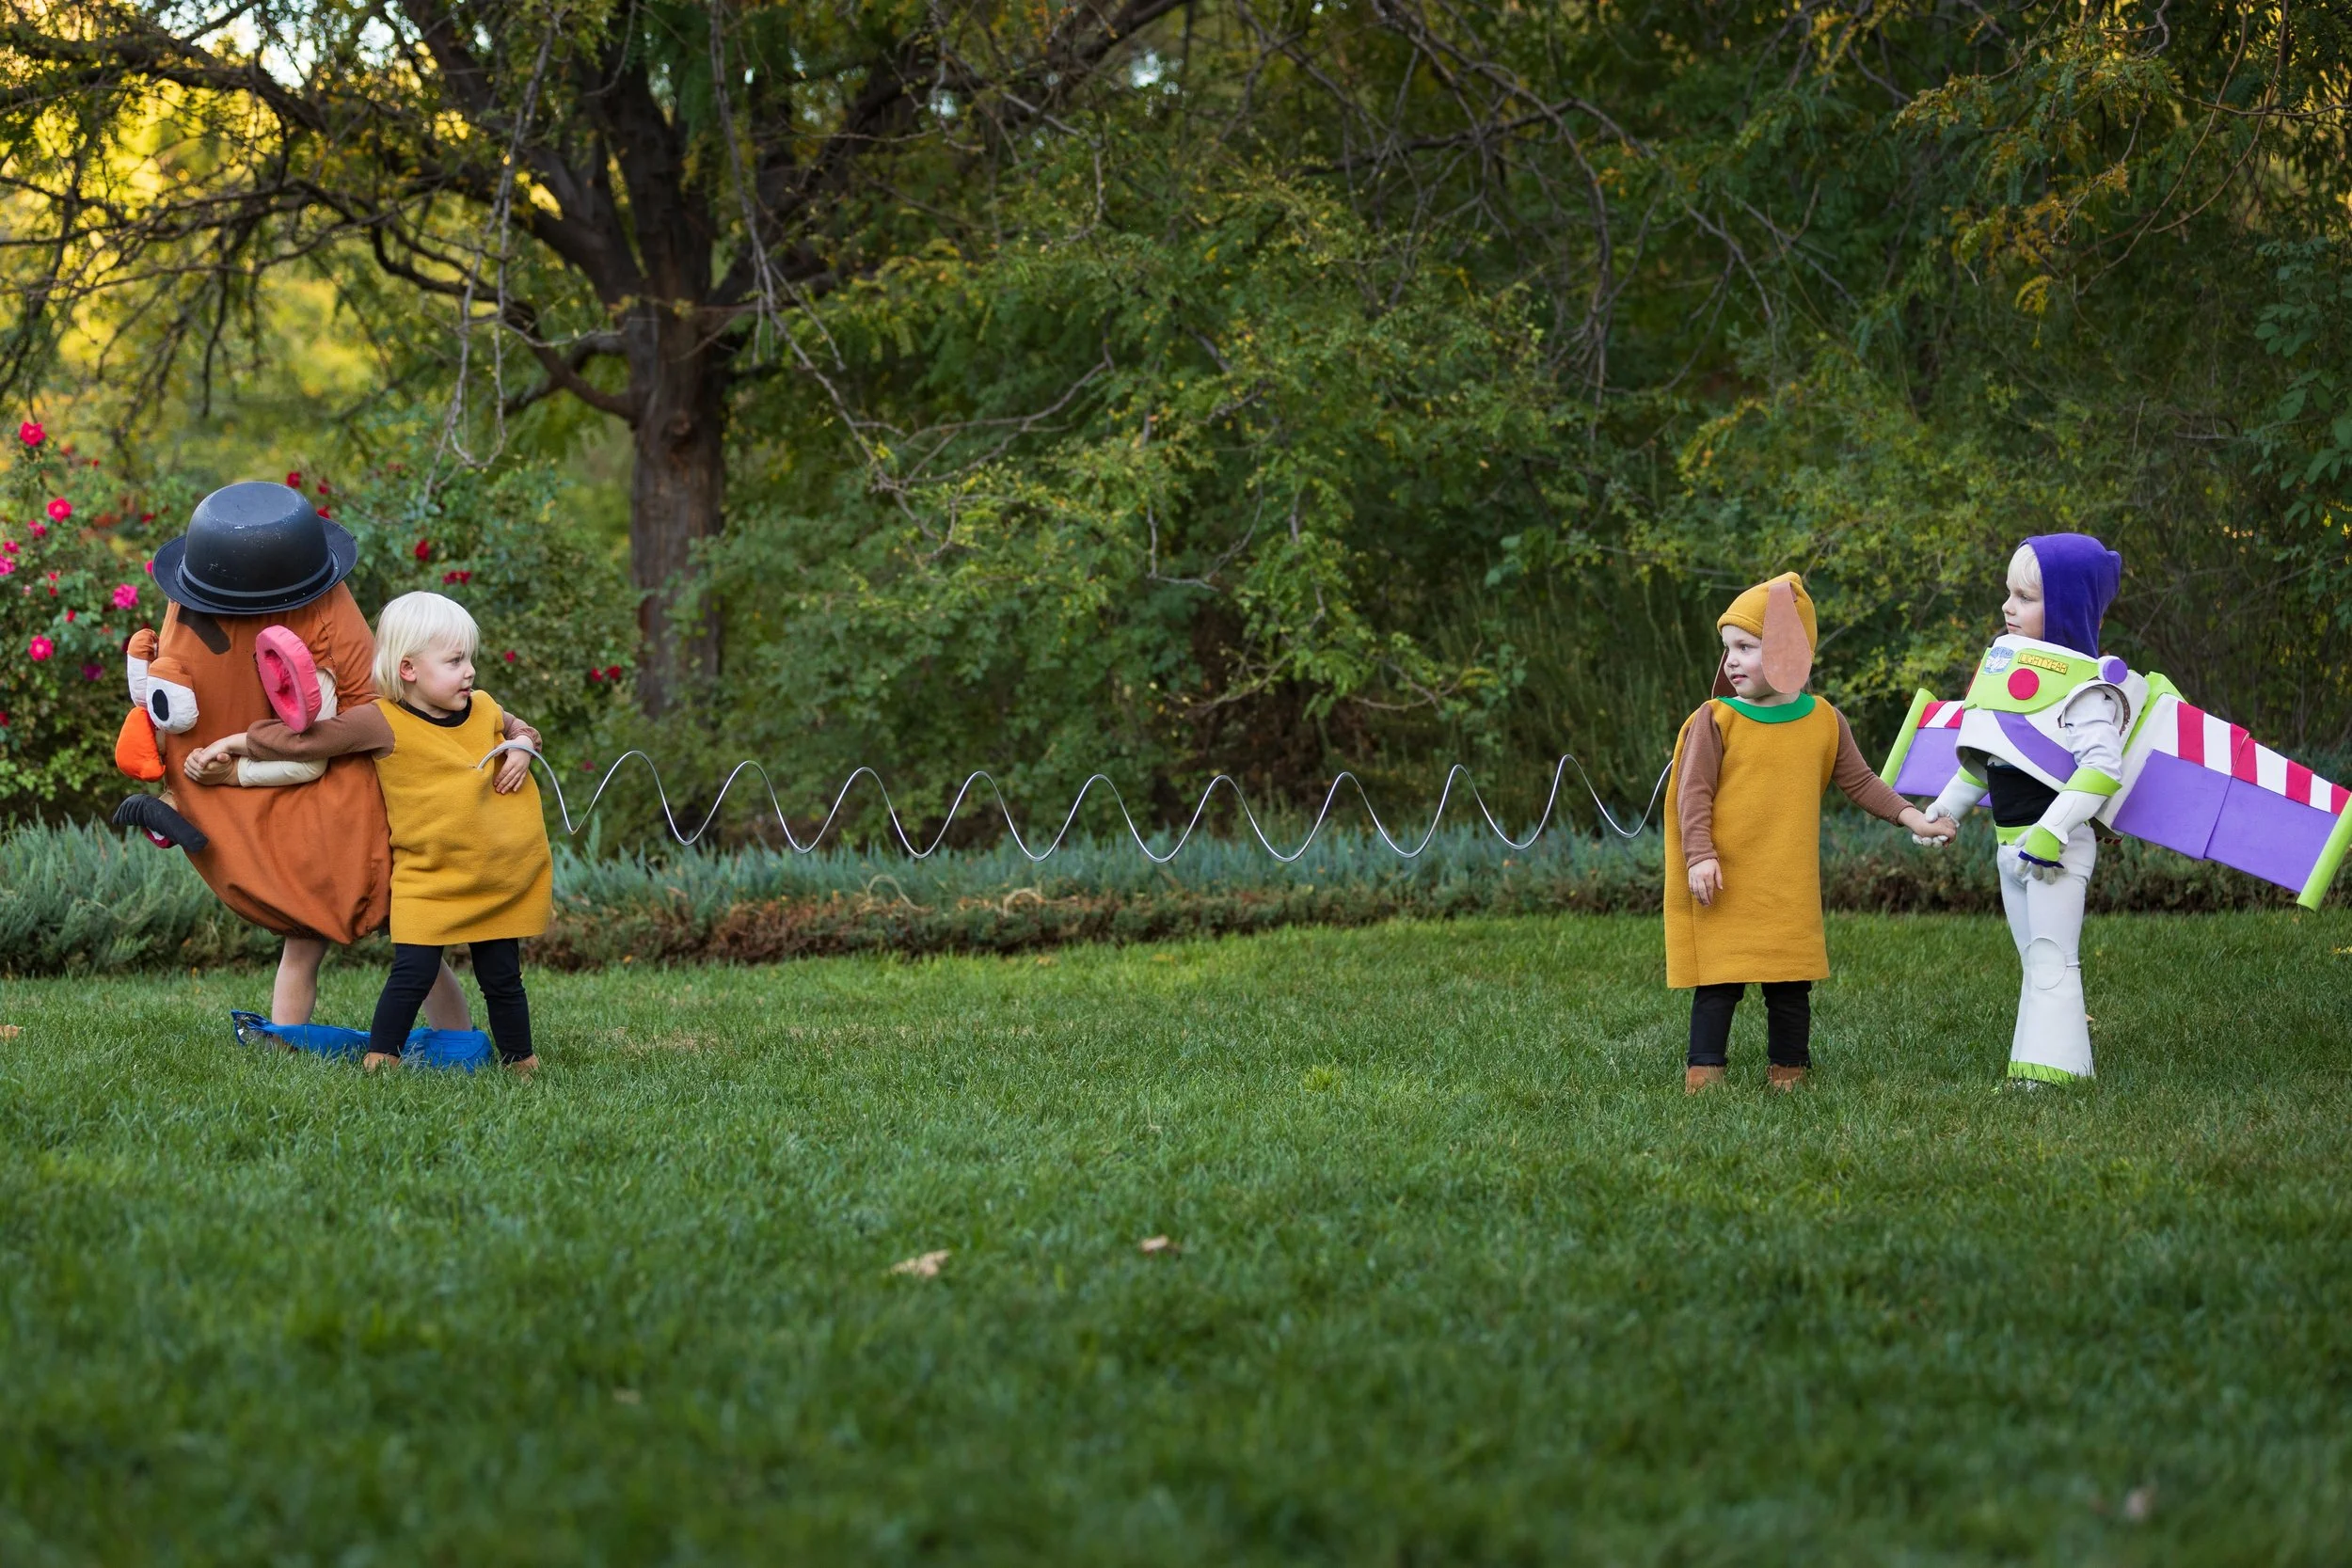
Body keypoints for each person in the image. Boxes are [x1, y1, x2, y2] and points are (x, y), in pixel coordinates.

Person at [120, 481, 471, 1035]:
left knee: (393, 946)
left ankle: (447, 1040)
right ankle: (313, 1039)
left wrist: (236, 764)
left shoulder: (316, 640)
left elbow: (313, 745)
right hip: (314, 814)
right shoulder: (254, 622)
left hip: (347, 809)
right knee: (391, 947)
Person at [202, 592, 551, 1075]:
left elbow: (524, 730)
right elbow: (310, 741)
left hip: (495, 877)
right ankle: (382, 1058)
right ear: (408, 669)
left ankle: (520, 1062)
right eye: (454, 661)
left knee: (503, 978)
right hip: (428, 880)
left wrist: (520, 747)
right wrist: (236, 741)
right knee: (411, 974)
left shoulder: (485, 707)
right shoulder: (382, 721)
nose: (469, 671)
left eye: (470, 659)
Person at [1664, 572, 1956, 1092]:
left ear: (1787, 650)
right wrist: (1699, 855)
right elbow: (1693, 794)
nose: (1730, 660)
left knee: (1790, 982)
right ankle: (1704, 1073)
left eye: (1746, 647)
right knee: (1719, 980)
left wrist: (1913, 817)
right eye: (1727, 648)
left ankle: (1789, 1072)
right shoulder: (1716, 719)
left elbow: (1861, 781)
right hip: (1725, 875)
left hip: (1786, 880)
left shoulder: (1823, 720)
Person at [1912, 535, 2128, 1086]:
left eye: (2026, 597)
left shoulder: (2087, 689)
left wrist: (2054, 830)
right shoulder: (2005, 677)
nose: (2008, 607)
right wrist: (1946, 810)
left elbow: (2103, 768)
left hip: (2055, 851)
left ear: (2067, 608)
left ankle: (2052, 1078)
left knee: (2053, 959)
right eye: (2009, 593)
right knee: (2036, 961)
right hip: (2012, 847)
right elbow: (1989, 759)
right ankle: (2037, 1070)